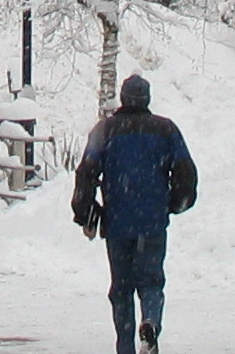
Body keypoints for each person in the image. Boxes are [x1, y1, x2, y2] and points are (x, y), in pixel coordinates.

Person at [71, 73, 197, 354]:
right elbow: (185, 172)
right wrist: (174, 203)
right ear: (147, 99)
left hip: (117, 222)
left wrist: (86, 213)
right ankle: (150, 322)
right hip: (152, 221)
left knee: (121, 289)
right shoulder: (166, 130)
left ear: (123, 98)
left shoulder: (104, 130)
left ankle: (125, 346)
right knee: (151, 281)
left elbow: (86, 174)